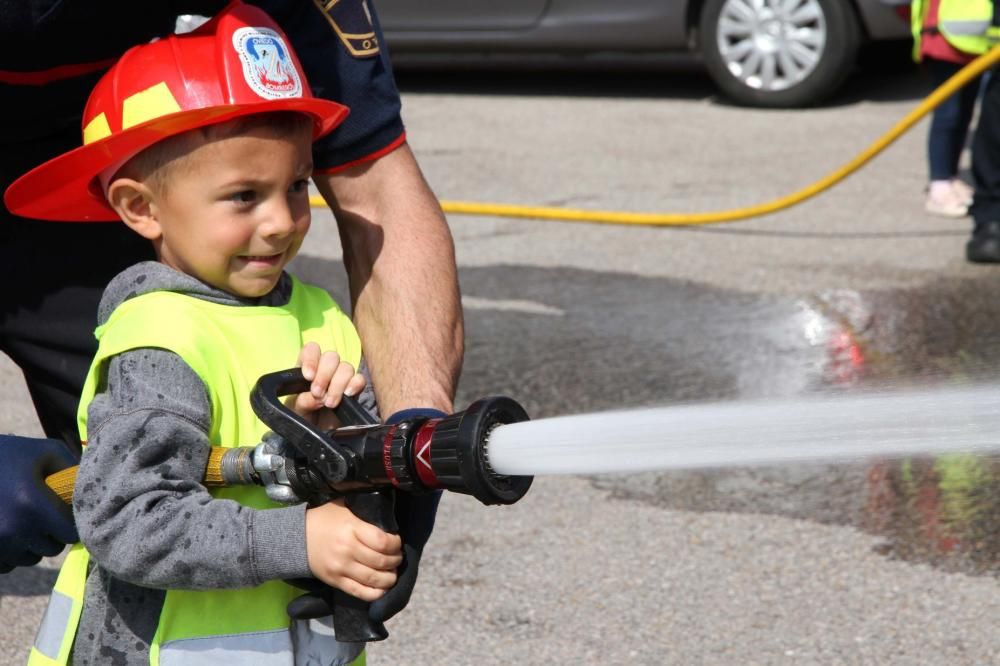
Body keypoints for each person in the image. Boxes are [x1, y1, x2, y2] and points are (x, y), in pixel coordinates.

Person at [6, 5, 410, 663]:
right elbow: (130, 524)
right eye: (244, 196)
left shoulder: (323, 318)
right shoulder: (160, 341)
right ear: (141, 207)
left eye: (298, 185)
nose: (282, 221)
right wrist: (299, 542)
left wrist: (343, 449)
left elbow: (347, 492)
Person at [911, 0, 983, 218]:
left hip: (974, 41)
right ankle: (939, 185)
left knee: (963, 113)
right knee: (948, 114)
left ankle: (949, 177)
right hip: (945, 37)